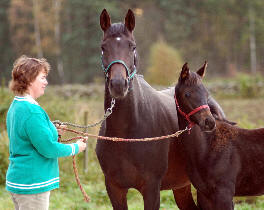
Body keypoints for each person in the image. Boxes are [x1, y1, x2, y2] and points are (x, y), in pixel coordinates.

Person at [5, 55, 87, 210]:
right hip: (32, 185)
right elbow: (48, 149)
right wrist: (76, 147)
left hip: (22, 182)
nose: (46, 82)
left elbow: (28, 137)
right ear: (29, 79)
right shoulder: (32, 111)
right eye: (42, 78)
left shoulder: (16, 105)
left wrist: (53, 131)